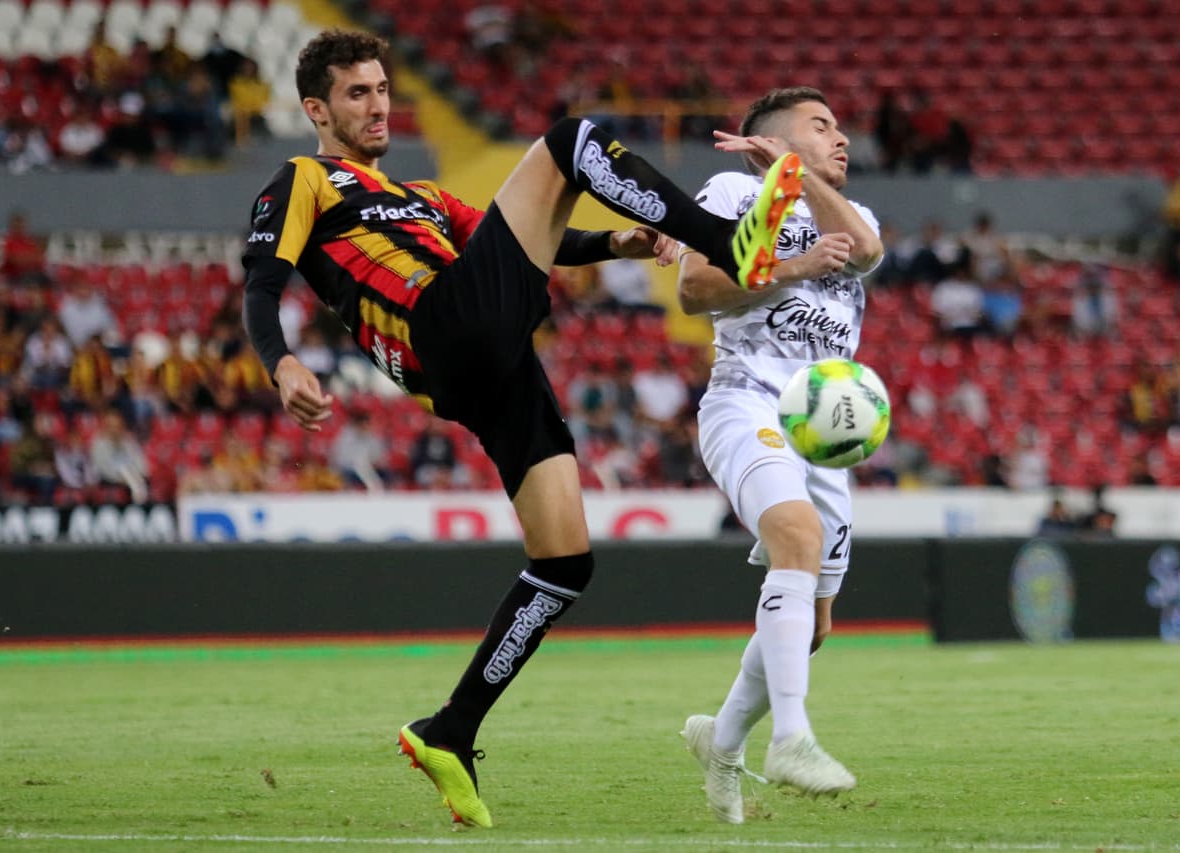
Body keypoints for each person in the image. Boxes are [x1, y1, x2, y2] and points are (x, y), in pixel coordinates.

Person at [240, 29, 803, 828]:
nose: (378, 105)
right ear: (316, 110)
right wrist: (281, 361)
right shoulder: (305, 179)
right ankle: (728, 241)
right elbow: (262, 285)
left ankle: (450, 730)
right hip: (442, 330)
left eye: (382, 88)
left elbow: (530, 233)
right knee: (573, 139)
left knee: (566, 559)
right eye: (357, 93)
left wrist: (616, 241)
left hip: (486, 361)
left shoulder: (427, 198)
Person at [673, 87, 883, 823]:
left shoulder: (844, 211)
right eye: (822, 125)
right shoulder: (734, 189)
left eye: (841, 126)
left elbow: (866, 251)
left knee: (815, 623)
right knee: (797, 537)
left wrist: (803, 175)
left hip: (825, 430)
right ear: (771, 137)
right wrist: (791, 265)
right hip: (749, 400)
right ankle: (790, 737)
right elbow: (696, 288)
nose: (842, 136)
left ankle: (722, 741)